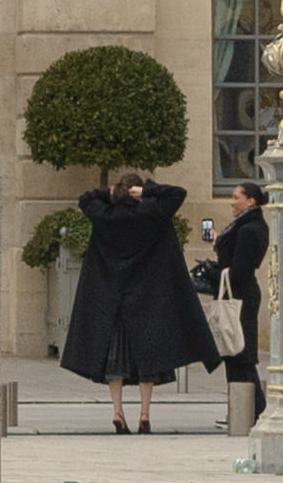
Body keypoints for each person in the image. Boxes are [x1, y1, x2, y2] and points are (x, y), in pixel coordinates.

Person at [59, 162, 205, 435]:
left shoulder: (106, 215)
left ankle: (117, 412)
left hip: (113, 298)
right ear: (137, 190)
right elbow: (178, 193)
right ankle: (145, 414)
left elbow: (85, 199)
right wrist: (149, 191)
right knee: (147, 361)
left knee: (116, 362)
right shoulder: (153, 212)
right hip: (147, 298)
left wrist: (111, 193)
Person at [208, 180, 271, 406]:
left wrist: (213, 274)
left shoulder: (249, 228)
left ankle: (253, 408)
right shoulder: (244, 225)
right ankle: (242, 408)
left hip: (240, 296)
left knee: (240, 354)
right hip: (238, 293)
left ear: (250, 201)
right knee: (234, 355)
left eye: (236, 197)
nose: (232, 202)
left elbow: (240, 270)